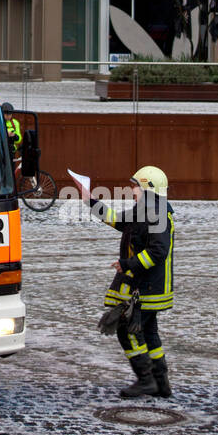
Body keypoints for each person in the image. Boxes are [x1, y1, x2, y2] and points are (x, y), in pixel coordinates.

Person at [81, 166, 175, 399]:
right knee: (149, 333)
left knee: (128, 331)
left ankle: (146, 381)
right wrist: (90, 201)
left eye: (136, 185)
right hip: (148, 287)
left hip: (147, 288)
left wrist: (129, 264)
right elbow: (117, 220)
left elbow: (158, 251)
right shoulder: (146, 210)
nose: (132, 189)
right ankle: (160, 383)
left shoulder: (157, 213)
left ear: (148, 189)